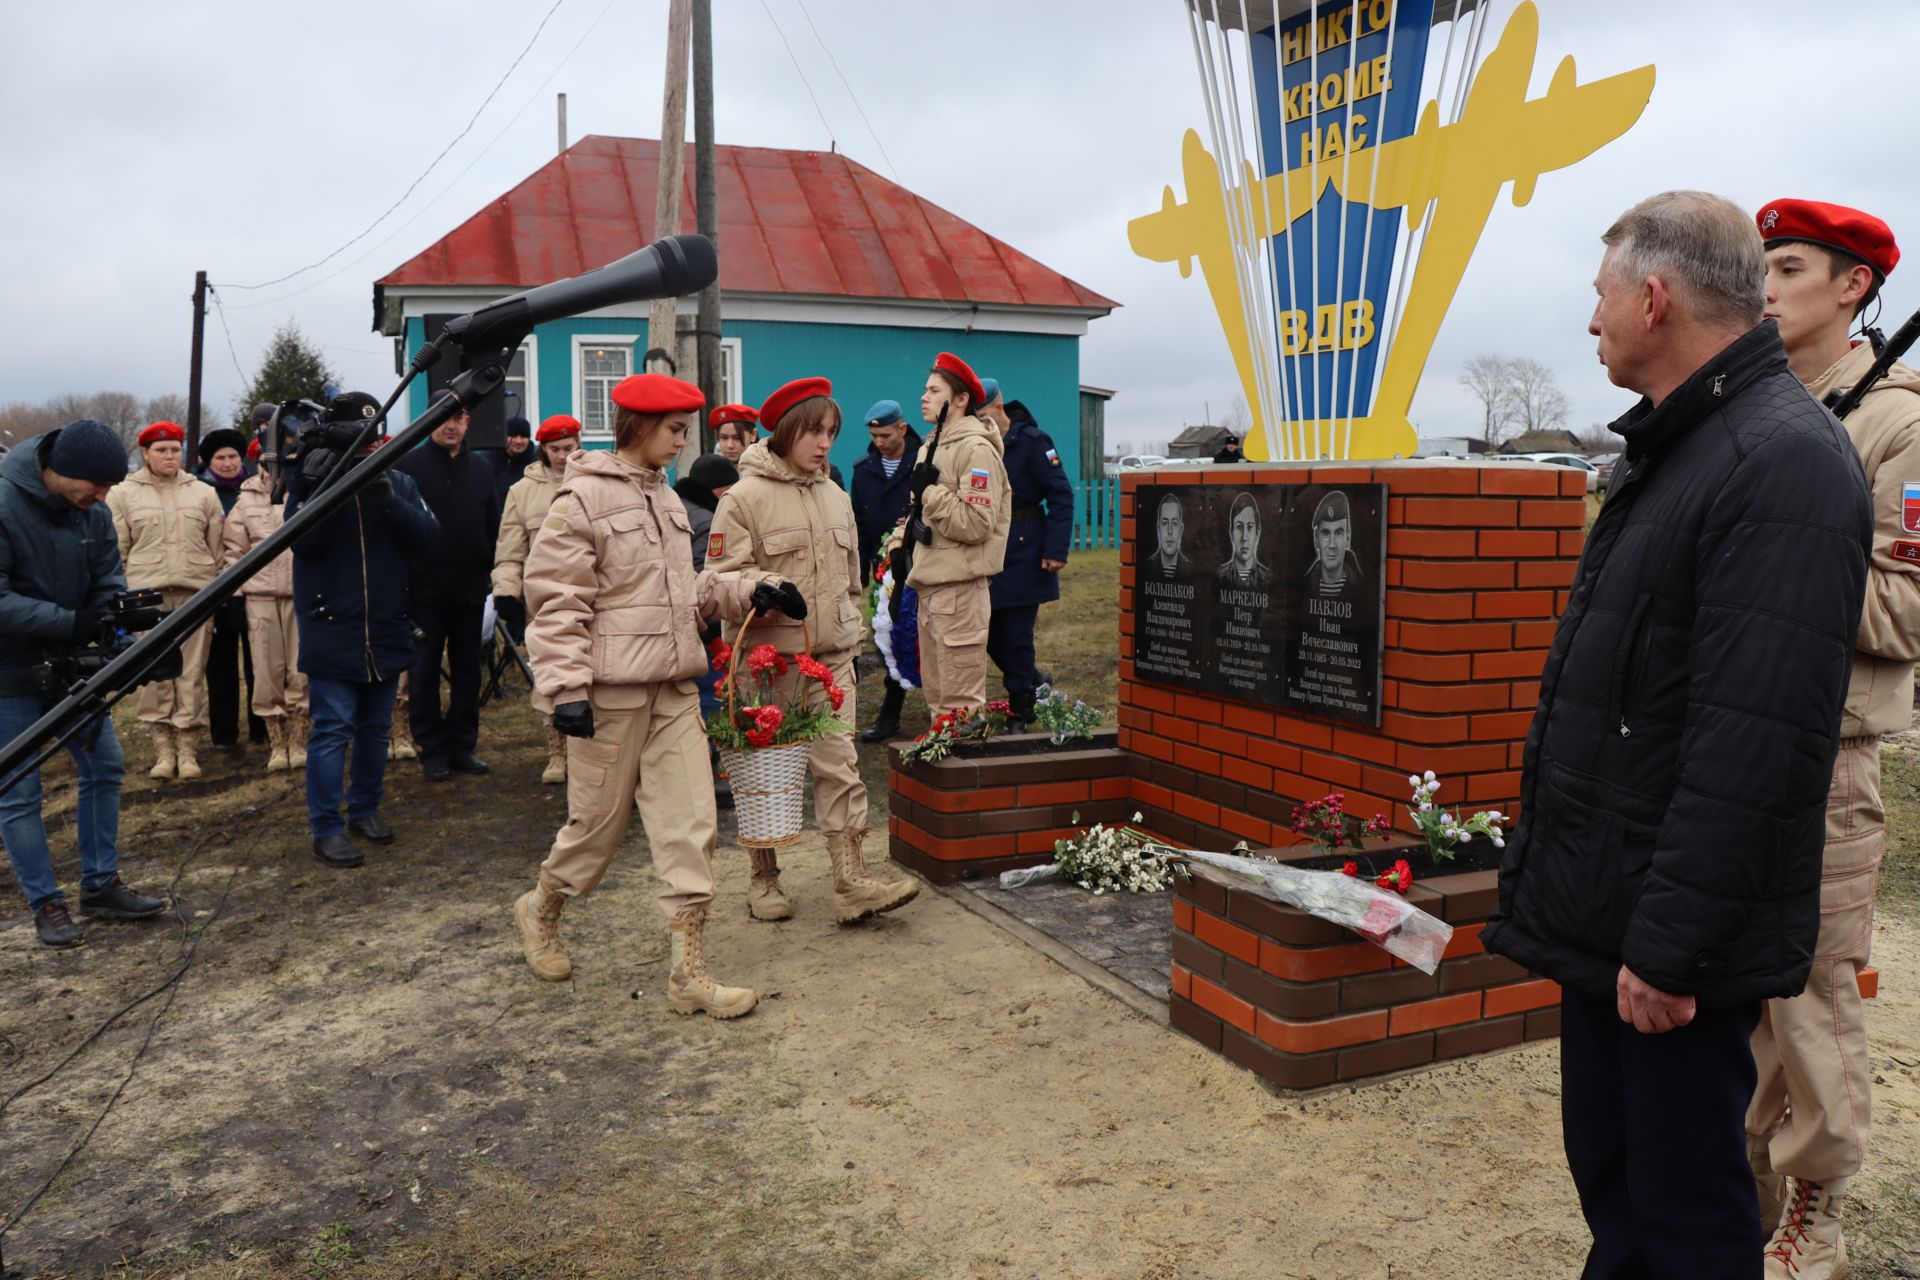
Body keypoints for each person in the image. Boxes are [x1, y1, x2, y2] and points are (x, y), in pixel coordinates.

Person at [1481, 191, 1873, 1279]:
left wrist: (1673, 944)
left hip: (1667, 936)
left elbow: (1755, 739)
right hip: (1619, 908)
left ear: (1654, 298)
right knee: (1625, 1197)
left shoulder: (1778, 460)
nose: (1591, 318)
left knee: (1687, 1216)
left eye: (1601, 295)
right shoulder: (1684, 445)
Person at [1744, 199, 1920, 1279]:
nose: (1765, 284)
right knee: (1737, 998)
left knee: (1810, 1003)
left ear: (1853, 286)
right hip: (1731, 744)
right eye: (1762, 264)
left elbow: (1907, 610)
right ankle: (1749, 1195)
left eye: (1791, 266)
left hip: (1827, 759)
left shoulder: (1898, 423)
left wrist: (1779, 549)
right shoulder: (1762, 407)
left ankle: (1817, 1217)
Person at [513, 372, 800, 1017]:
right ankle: (542, 908)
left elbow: (688, 592)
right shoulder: (579, 500)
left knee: (691, 826)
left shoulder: (666, 499)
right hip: (608, 696)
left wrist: (750, 586)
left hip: (673, 690)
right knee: (596, 830)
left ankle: (688, 976)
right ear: (638, 426)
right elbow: (556, 600)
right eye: (674, 430)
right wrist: (564, 689)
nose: (682, 443)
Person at [709, 377, 920, 925]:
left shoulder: (836, 494)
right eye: (813, 431)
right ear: (784, 433)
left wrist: (849, 630)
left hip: (828, 663)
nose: (825, 443)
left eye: (831, 432)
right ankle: (763, 877)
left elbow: (851, 582)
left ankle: (851, 882)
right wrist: (756, 586)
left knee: (840, 768)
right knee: (764, 774)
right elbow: (716, 582)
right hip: (766, 662)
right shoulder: (742, 499)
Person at [0, 421, 166, 947]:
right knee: (18, 789)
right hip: (9, 671)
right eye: (94, 486)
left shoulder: (91, 511)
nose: (103, 497)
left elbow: (108, 576)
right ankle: (45, 902)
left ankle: (100, 885)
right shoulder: (3, 504)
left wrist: (113, 617)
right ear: (57, 471)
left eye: (108, 487)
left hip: (74, 664)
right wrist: (71, 622)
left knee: (105, 763)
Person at [287, 393, 439, 867]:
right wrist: (323, 492)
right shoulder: (311, 483)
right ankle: (326, 827)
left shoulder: (400, 481)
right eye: (361, 439)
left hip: (386, 624)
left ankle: (365, 808)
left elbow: (428, 537)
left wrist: (388, 500)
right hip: (332, 624)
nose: (372, 447)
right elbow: (301, 544)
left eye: (376, 437)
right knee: (332, 729)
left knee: (376, 730)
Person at [106, 422, 224, 781]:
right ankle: (163, 748)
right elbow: (117, 550)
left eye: (174, 449)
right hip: (146, 598)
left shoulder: (203, 493)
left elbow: (215, 547)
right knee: (154, 671)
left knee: (190, 673)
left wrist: (212, 587)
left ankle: (188, 749)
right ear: (145, 453)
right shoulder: (123, 494)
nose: (169, 456)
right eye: (161, 450)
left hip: (193, 594)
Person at [396, 407, 501, 781]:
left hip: (470, 590)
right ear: (430, 423)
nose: (451, 426)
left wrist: (489, 571)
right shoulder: (409, 466)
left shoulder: (483, 468)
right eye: (443, 419)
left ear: (468, 422)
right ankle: (432, 748)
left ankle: (462, 745)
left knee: (468, 672)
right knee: (423, 674)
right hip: (424, 592)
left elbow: (493, 525)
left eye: (458, 418)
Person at [904, 352, 1011, 717]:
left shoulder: (975, 449)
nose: (924, 397)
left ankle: (962, 769)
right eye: (925, 389)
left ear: (961, 399)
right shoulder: (931, 446)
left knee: (959, 707)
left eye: (934, 390)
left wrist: (931, 493)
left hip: (960, 591)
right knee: (937, 699)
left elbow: (977, 523)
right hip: (931, 586)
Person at [493, 413, 582, 784]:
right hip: (542, 601)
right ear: (542, 449)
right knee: (550, 677)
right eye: (555, 449)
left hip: (589, 595)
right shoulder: (522, 492)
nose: (562, 455)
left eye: (569, 448)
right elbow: (510, 548)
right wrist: (505, 590)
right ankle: (557, 752)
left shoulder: (596, 483)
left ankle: (589, 754)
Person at [983, 384, 1074, 729]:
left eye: (981, 415)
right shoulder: (978, 446)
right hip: (990, 548)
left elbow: (1061, 495)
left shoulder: (1033, 442)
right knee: (989, 635)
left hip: (1026, 548)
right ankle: (1034, 681)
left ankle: (1021, 709)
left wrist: (1055, 549)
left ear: (998, 407)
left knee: (1017, 635)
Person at [223, 429, 308, 772]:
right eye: (265, 462)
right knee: (266, 672)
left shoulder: (306, 492)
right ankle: (277, 742)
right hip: (260, 597)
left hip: (301, 594)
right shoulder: (245, 500)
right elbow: (233, 551)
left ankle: (300, 739)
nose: (272, 468)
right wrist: (235, 594)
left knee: (301, 671)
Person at [851, 399, 922, 741]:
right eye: (874, 435)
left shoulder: (924, 461)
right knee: (890, 638)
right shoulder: (864, 470)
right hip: (884, 570)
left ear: (903, 429)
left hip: (919, 561)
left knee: (917, 634)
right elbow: (860, 525)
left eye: (886, 434)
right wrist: (860, 572)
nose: (880, 442)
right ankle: (890, 715)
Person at [196, 427, 266, 755]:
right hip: (217, 587)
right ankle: (223, 733)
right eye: (220, 457)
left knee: (259, 661)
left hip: (255, 586)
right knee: (220, 664)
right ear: (209, 462)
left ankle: (261, 727)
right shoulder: (200, 491)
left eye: (233, 457)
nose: (227, 463)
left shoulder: (254, 490)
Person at [674, 452, 740, 804]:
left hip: (668, 628)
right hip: (700, 629)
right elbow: (705, 578)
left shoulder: (675, 506)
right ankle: (712, 775)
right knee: (711, 698)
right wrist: (715, 635)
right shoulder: (708, 520)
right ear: (718, 490)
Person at [1218, 492, 1272, 589]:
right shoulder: (1219, 576)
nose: (1244, 537)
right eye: (1239, 527)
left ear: (1257, 533)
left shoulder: (1269, 579)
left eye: (1250, 527)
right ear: (1231, 532)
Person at [487, 415, 537, 506]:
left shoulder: (536, 465)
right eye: (513, 436)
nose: (519, 441)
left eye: (523, 436)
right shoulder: (487, 461)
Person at [1147, 492, 1193, 580]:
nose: (1170, 531)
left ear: (1181, 529)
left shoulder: (1190, 570)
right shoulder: (1147, 568)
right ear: (1158, 528)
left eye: (1174, 523)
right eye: (1164, 523)